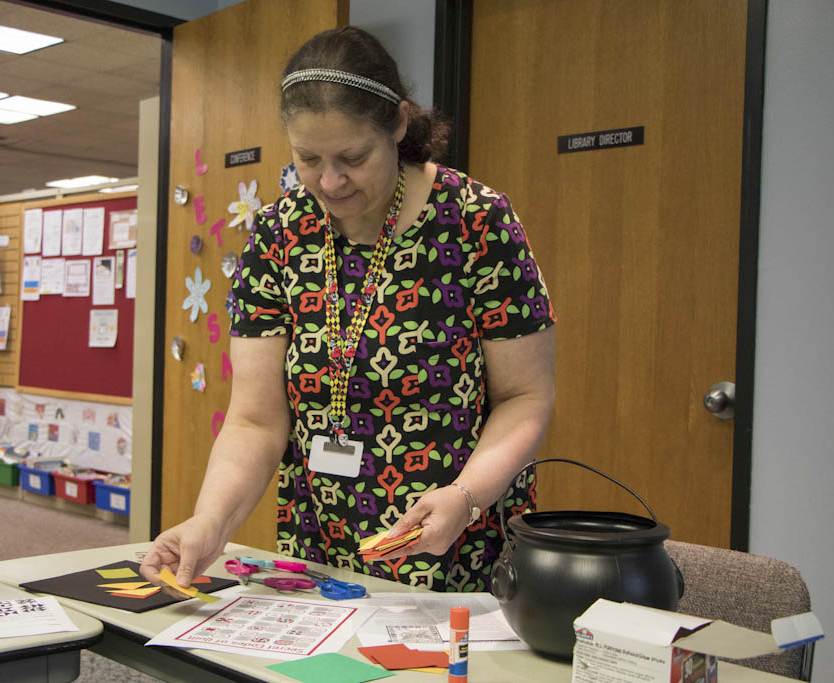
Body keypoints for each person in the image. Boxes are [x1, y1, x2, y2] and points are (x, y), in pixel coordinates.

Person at [143, 26, 556, 594]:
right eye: (308, 158)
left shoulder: (475, 220)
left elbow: (525, 397)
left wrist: (466, 498)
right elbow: (255, 418)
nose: (330, 181)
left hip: (460, 541)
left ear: (399, 124)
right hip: (322, 548)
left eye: (352, 157)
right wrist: (211, 521)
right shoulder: (279, 232)